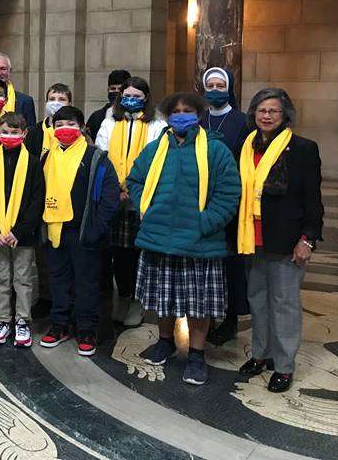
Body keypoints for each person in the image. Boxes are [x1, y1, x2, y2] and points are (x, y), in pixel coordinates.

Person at [126, 92, 241, 386]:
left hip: (200, 241)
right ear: (167, 115)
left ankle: (196, 355)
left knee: (198, 303)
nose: (180, 115)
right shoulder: (155, 149)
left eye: (187, 110)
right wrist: (147, 209)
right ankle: (165, 341)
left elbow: (229, 193)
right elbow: (135, 180)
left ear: (199, 114)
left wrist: (205, 223)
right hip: (160, 236)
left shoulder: (216, 150)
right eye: (175, 111)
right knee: (163, 298)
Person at [236, 88, 323, 393]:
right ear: (253, 114)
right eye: (261, 110)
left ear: (285, 114)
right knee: (257, 299)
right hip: (251, 238)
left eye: (273, 110)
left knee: (284, 304)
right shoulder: (245, 146)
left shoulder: (303, 149)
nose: (267, 116)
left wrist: (308, 239)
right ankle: (262, 354)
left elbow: (313, 200)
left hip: (286, 240)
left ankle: (284, 366)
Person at [39, 106, 120, 355]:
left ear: (82, 126)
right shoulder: (45, 157)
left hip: (83, 232)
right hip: (54, 229)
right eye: (59, 124)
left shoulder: (96, 157)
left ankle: (86, 328)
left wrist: (96, 228)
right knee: (58, 280)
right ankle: (60, 323)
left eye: (71, 123)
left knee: (86, 282)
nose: (65, 129)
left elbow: (110, 196)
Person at [95, 77, 166, 328]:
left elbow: (156, 160)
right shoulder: (109, 123)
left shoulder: (158, 124)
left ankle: (138, 301)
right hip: (115, 198)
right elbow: (102, 156)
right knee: (120, 254)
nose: (131, 100)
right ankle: (123, 296)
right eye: (127, 95)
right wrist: (115, 191)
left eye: (137, 96)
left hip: (143, 198)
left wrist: (134, 190)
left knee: (140, 253)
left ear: (146, 98)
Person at [0, 113, 45, 347]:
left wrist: (19, 231)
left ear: (24, 134)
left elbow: (37, 201)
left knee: (24, 278)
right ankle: (3, 319)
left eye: (15, 132)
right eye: (5, 131)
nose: (9, 136)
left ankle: (23, 320)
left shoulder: (34, 163)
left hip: (22, 236)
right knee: (2, 277)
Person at [200, 66, 250, 346]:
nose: (215, 90)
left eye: (221, 85)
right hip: (202, 201)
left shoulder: (242, 121)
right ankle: (207, 315)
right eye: (211, 85)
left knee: (230, 262)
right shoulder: (199, 118)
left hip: (230, 200)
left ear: (229, 88)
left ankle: (230, 318)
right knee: (207, 261)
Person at [24, 83, 72, 157]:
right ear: (46, 103)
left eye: (61, 99)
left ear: (69, 104)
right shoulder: (33, 131)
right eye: (52, 99)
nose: (56, 103)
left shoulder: (74, 130)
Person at [85, 69, 130, 140]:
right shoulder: (96, 117)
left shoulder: (134, 115)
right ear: (108, 90)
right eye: (113, 89)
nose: (116, 92)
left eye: (120, 89)